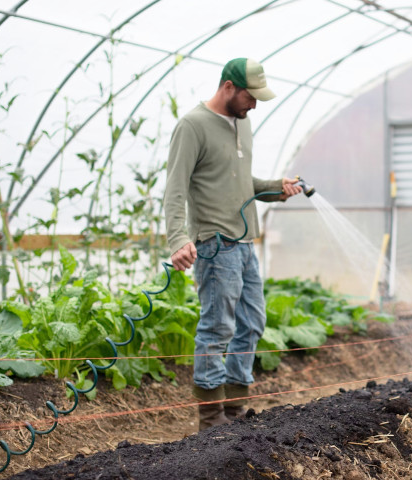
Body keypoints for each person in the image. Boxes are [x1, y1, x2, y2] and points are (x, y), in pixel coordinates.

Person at [163, 58, 302, 432]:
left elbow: (241, 184)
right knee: (217, 328)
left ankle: (236, 413)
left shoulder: (243, 123)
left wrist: (277, 188)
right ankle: (211, 419)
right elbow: (175, 189)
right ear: (228, 87)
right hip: (215, 246)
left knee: (252, 322)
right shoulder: (192, 126)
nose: (254, 104)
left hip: (244, 245)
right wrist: (178, 239)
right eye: (250, 97)